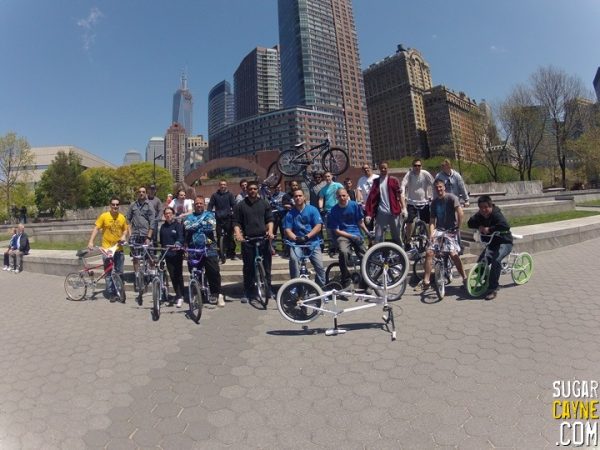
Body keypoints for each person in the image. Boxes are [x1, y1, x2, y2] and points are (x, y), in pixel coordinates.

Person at [421, 179, 467, 290]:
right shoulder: (434, 203)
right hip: (439, 230)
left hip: (451, 230)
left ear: (444, 187)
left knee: (453, 254)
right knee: (429, 252)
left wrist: (458, 227)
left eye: (440, 187)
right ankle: (426, 280)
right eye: (437, 187)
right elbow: (432, 221)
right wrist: (431, 233)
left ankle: (464, 278)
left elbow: (460, 213)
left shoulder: (451, 198)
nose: (439, 189)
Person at [233, 180, 274, 304]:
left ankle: (269, 289)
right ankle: (248, 291)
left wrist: (270, 231)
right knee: (248, 268)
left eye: (255, 189)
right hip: (248, 240)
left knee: (267, 267)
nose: (252, 191)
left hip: (263, 239)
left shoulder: (264, 203)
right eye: (250, 189)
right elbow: (236, 222)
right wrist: (239, 234)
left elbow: (270, 219)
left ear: (257, 190)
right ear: (247, 190)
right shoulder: (240, 205)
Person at [467, 195, 513, 300]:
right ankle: (483, 281)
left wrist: (490, 229)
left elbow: (505, 226)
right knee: (482, 262)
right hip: (492, 244)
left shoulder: (496, 214)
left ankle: (493, 289)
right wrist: (479, 226)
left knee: (496, 261)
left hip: (505, 242)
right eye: (481, 207)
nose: (483, 210)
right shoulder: (480, 215)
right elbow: (470, 223)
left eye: (486, 207)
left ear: (491, 205)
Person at [184, 196, 225, 307]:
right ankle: (198, 294)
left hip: (209, 248)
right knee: (194, 273)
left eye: (201, 203)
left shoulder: (210, 215)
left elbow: (211, 226)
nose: (199, 205)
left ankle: (217, 294)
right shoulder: (189, 217)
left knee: (214, 272)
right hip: (194, 249)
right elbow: (187, 227)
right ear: (194, 205)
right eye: (197, 203)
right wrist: (201, 224)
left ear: (204, 204)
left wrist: (195, 226)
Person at [88, 197, 128, 302]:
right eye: (113, 204)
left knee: (119, 272)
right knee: (109, 272)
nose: (115, 206)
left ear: (119, 206)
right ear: (110, 205)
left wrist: (124, 236)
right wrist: (91, 241)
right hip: (107, 250)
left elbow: (125, 230)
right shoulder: (104, 216)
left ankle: (120, 291)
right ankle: (112, 293)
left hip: (119, 249)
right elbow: (96, 228)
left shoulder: (122, 217)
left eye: (117, 204)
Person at [283, 188, 325, 286]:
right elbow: (287, 230)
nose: (298, 198)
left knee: (319, 266)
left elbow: (318, 226)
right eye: (296, 196)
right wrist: (295, 238)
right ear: (293, 198)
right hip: (297, 242)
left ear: (304, 197)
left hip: (312, 241)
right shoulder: (290, 213)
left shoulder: (312, 210)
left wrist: (307, 237)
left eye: (300, 196)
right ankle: (295, 286)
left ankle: (321, 287)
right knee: (293, 259)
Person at [328, 188, 369, 288]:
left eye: (343, 195)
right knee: (343, 252)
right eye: (339, 196)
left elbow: (360, 222)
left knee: (365, 255)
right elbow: (336, 231)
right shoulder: (334, 210)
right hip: (343, 235)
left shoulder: (354, 205)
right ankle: (345, 279)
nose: (342, 198)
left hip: (356, 233)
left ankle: (366, 280)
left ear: (347, 195)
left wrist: (367, 232)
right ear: (336, 197)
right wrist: (351, 236)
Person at [364, 161, 403, 245]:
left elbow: (399, 195)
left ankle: (400, 253)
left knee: (397, 235)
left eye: (385, 168)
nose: (383, 169)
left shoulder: (394, 180)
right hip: (381, 212)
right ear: (379, 169)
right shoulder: (376, 182)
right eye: (381, 168)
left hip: (394, 211)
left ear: (388, 168)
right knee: (379, 236)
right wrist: (369, 214)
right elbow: (371, 198)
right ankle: (379, 254)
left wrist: (404, 208)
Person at [401, 158, 434, 248]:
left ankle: (430, 240)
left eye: (419, 165)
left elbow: (433, 184)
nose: (417, 167)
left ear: (421, 166)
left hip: (424, 202)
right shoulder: (409, 174)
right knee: (409, 222)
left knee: (429, 222)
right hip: (412, 202)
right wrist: (404, 205)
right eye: (415, 165)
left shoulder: (425, 174)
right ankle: (408, 241)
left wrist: (433, 197)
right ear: (412, 166)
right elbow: (403, 185)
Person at [126, 186, 156, 275]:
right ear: (137, 194)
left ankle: (152, 274)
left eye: (143, 191)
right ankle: (137, 276)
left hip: (146, 234)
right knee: (135, 257)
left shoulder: (149, 205)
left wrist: (148, 237)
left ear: (146, 193)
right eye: (139, 192)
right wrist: (130, 234)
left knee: (150, 255)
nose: (141, 193)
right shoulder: (133, 205)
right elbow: (128, 219)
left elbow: (152, 222)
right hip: (135, 234)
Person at [159, 207, 185, 307]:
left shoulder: (178, 225)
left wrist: (178, 244)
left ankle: (181, 296)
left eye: (170, 213)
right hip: (167, 255)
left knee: (178, 275)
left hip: (177, 254)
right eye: (166, 214)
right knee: (172, 276)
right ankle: (178, 295)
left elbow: (181, 237)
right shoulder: (163, 227)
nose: (168, 215)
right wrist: (161, 255)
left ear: (173, 214)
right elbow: (162, 242)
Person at [208, 180, 237, 263]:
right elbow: (210, 205)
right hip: (218, 219)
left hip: (228, 218)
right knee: (219, 236)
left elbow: (234, 205)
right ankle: (220, 254)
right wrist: (209, 213)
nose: (223, 186)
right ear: (219, 186)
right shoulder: (215, 195)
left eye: (224, 184)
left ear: (226, 186)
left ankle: (231, 253)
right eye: (221, 185)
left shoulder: (230, 195)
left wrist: (234, 213)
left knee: (230, 237)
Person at [318, 172, 344, 255]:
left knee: (340, 229)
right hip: (328, 212)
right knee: (329, 231)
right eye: (325, 177)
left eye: (328, 176)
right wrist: (321, 208)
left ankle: (342, 247)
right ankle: (332, 248)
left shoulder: (338, 185)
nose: (327, 178)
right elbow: (321, 199)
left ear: (332, 176)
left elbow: (344, 194)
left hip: (338, 210)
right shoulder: (323, 189)